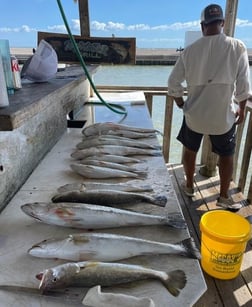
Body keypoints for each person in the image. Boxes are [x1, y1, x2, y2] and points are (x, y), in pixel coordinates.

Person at [168, 4, 251, 210]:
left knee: (189, 150)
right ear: (222, 23)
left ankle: (188, 186)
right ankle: (223, 197)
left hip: (194, 115)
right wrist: (241, 107)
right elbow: (244, 85)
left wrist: (181, 104)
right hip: (222, 118)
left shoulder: (189, 51)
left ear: (202, 25)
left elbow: (173, 84)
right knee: (226, 155)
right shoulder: (237, 46)